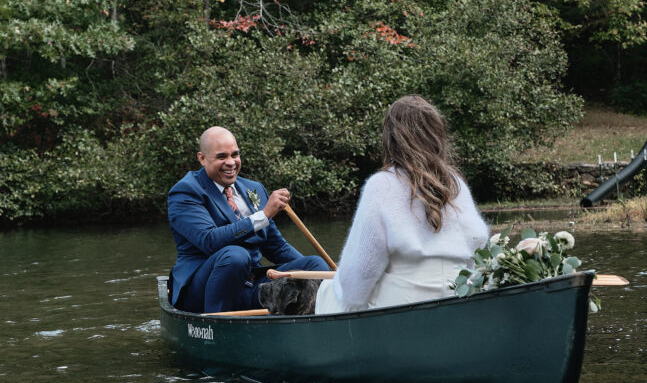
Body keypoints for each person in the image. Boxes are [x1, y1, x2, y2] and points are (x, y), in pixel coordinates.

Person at [315, 95, 488, 314]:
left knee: (327, 292)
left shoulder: (381, 185)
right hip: (458, 301)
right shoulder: (456, 184)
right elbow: (478, 252)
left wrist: (338, 295)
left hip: (403, 310)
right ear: (436, 136)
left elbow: (358, 279)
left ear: (391, 140)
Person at [168, 127, 328, 313]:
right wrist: (263, 215)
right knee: (236, 256)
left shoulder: (254, 189)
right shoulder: (186, 191)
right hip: (202, 291)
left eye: (235, 155)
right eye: (222, 157)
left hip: (250, 285)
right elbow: (209, 241)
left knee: (313, 264)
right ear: (202, 158)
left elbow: (276, 247)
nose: (231, 162)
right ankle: (218, 324)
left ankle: (309, 324)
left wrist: (318, 276)